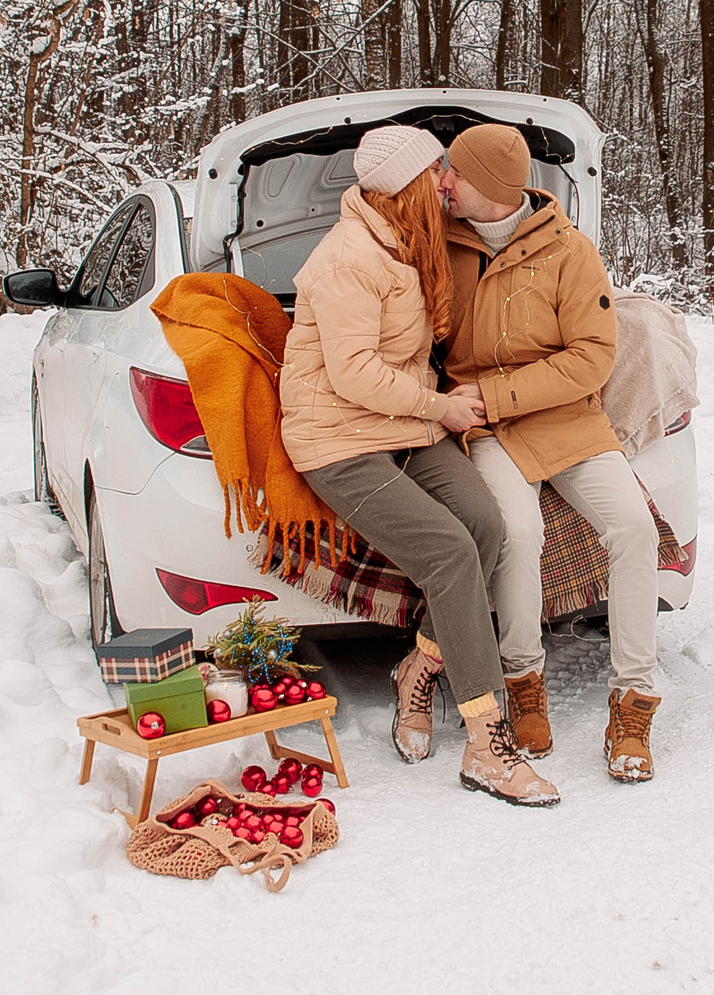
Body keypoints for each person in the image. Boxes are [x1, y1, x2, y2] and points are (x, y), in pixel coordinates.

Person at [278, 123, 560, 807]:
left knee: (486, 527)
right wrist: (440, 407)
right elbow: (353, 376)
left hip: (398, 423)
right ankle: (487, 742)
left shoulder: (406, 239)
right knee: (450, 552)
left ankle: (419, 667)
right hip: (339, 439)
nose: (446, 182)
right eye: (435, 171)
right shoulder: (347, 258)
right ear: (404, 184)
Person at [439, 123, 664, 783]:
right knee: (517, 528)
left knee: (633, 526)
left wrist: (497, 390)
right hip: (487, 428)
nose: (445, 182)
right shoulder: (442, 246)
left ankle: (634, 701)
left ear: (493, 186)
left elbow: (592, 358)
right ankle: (524, 680)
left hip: (565, 419)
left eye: (456, 172)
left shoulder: (571, 252)